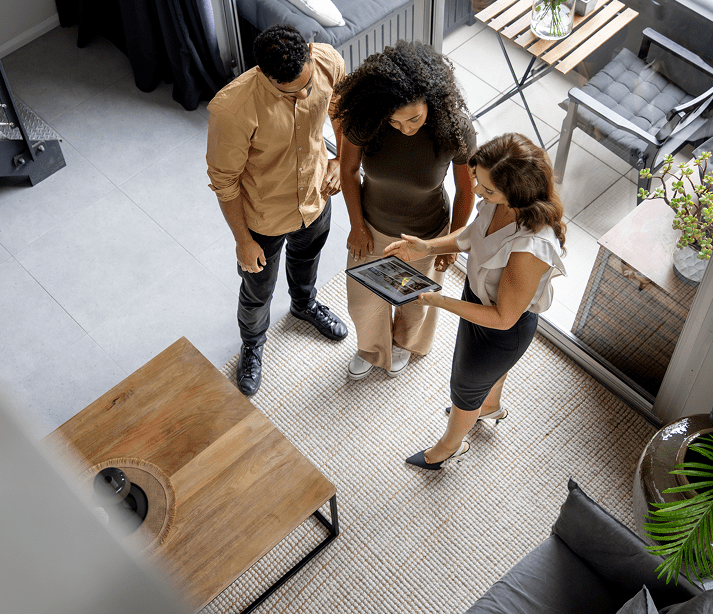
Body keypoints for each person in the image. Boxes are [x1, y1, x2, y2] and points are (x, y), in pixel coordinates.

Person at [384, 133, 566, 469]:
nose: (478, 193)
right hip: (477, 301)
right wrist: (428, 247)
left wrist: (438, 301)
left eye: (487, 190)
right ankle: (489, 407)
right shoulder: (499, 203)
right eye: (479, 184)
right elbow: (471, 236)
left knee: (464, 388)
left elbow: (502, 318)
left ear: (517, 191)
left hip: (501, 329)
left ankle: (449, 447)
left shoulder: (531, 247)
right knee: (482, 382)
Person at [206, 24, 349, 397]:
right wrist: (242, 241)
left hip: (316, 198)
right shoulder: (232, 110)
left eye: (307, 85)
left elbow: (341, 108)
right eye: (292, 92)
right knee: (258, 291)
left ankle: (304, 306)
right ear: (264, 75)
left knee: (308, 261)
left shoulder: (327, 60)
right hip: (264, 218)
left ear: (308, 49)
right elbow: (225, 182)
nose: (305, 93)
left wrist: (339, 161)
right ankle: (252, 344)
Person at [332, 41, 476, 379]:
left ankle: (405, 344)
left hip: (426, 234)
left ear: (431, 99)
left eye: (413, 118)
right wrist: (357, 225)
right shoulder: (366, 121)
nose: (406, 128)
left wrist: (452, 242)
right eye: (395, 123)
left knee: (413, 301)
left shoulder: (455, 130)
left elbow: (467, 190)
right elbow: (349, 170)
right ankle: (371, 348)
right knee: (363, 300)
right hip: (372, 224)